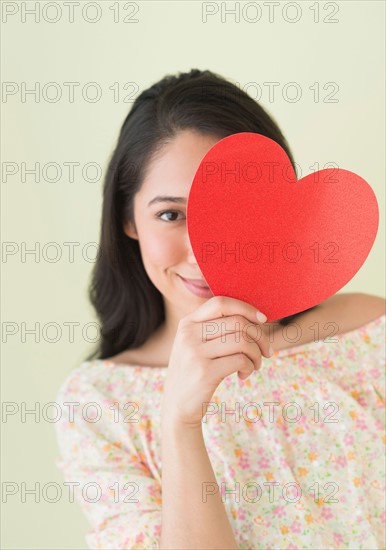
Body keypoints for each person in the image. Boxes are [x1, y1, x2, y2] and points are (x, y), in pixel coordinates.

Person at [54, 69, 386, 549]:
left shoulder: (366, 334)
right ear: (128, 218)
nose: (203, 250)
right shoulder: (97, 404)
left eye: (235, 210)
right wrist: (180, 421)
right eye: (171, 214)